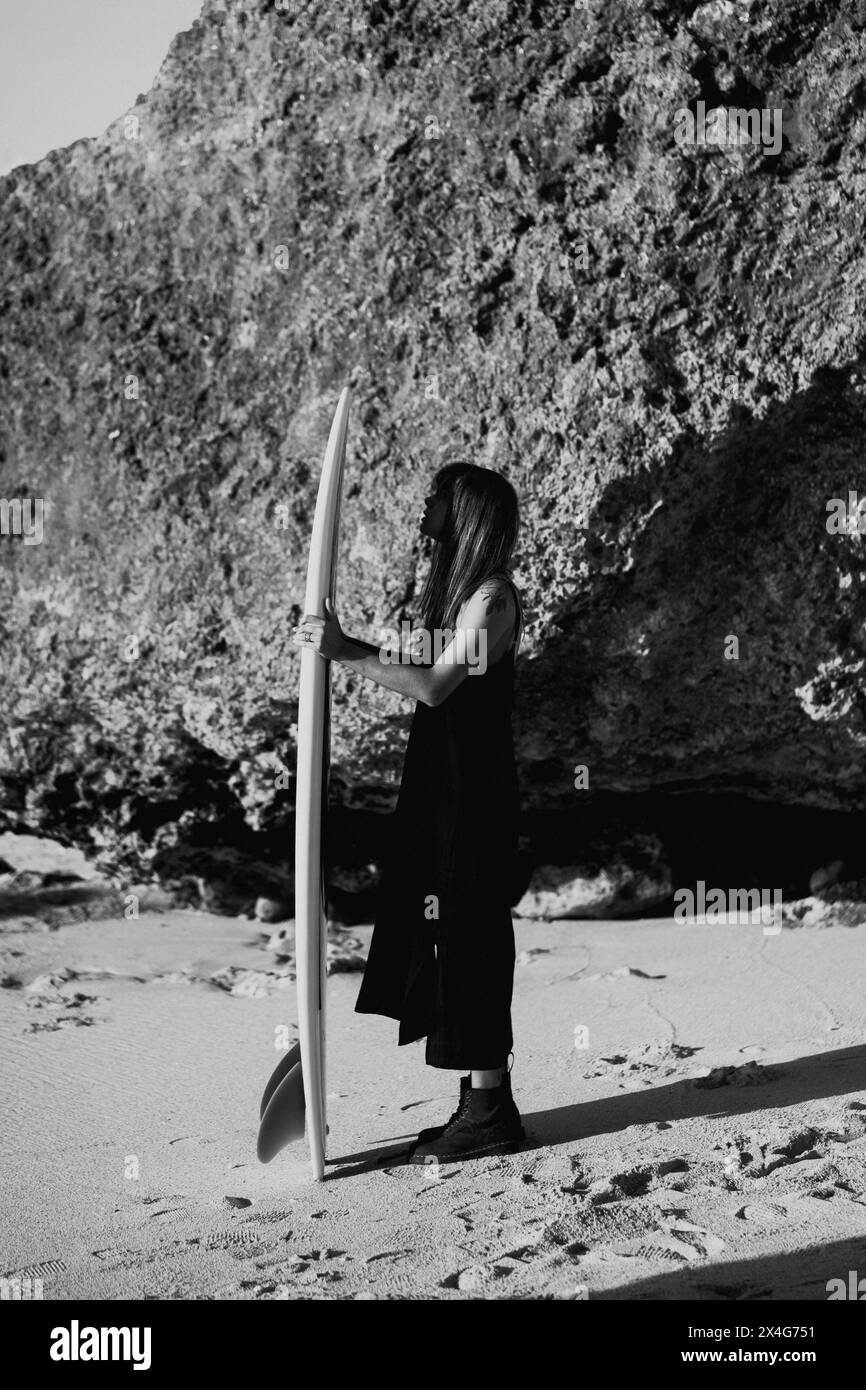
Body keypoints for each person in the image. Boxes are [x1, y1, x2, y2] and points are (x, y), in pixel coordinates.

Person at [292, 461, 525, 1163]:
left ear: (468, 513)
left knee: (471, 935)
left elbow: (432, 687)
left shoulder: (491, 600)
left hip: (474, 798)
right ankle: (479, 1105)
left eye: (438, 497)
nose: (425, 504)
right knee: (446, 933)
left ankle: (490, 1115)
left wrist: (345, 650)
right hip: (443, 787)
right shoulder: (460, 595)